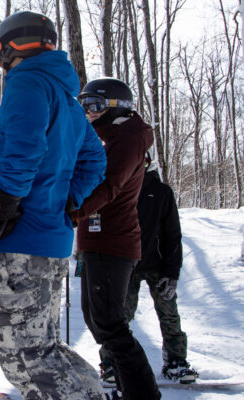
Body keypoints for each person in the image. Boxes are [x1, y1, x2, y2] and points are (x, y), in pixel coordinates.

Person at [0, 11, 108, 400]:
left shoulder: (27, 82)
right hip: (50, 241)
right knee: (45, 349)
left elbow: (24, 146)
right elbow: (96, 161)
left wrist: (5, 202)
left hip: (22, 239)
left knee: (23, 359)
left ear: (7, 48)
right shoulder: (67, 99)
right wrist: (68, 199)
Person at [70, 78, 161, 399]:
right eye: (84, 106)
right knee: (98, 323)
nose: (88, 113)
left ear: (115, 106)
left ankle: (142, 394)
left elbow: (109, 186)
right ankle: (128, 389)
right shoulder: (108, 137)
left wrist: (70, 210)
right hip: (95, 240)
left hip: (113, 240)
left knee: (110, 324)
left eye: (94, 105)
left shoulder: (127, 138)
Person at [98, 152, 198, 384]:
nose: (135, 166)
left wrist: (172, 274)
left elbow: (173, 235)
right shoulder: (116, 190)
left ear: (147, 163)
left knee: (169, 315)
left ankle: (176, 362)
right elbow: (100, 228)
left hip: (158, 266)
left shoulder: (162, 192)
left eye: (140, 162)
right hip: (125, 265)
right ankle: (111, 363)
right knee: (120, 317)